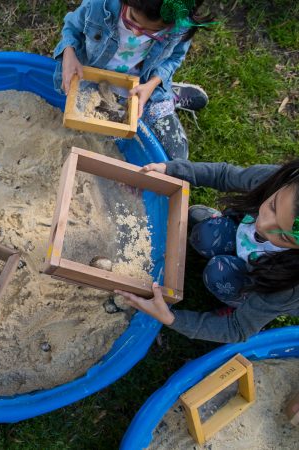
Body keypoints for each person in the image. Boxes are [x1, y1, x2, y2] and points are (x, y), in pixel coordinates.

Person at [116, 159, 299, 343]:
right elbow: (224, 175)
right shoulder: (279, 182)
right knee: (205, 235)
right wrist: (170, 169)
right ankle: (226, 230)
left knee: (219, 274)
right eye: (273, 206)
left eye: (283, 236)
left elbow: (236, 329)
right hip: (249, 242)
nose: (263, 224)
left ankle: (238, 301)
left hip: (266, 278)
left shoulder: (289, 288)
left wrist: (171, 318)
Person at [54, 0, 214, 160]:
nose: (137, 33)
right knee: (104, 134)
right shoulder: (99, 6)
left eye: (153, 30)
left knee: (178, 156)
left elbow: (175, 57)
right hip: (94, 82)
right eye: (133, 19)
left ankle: (168, 94)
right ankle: (167, 92)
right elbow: (72, 28)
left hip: (144, 86)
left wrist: (152, 84)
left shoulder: (179, 26)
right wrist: (69, 53)